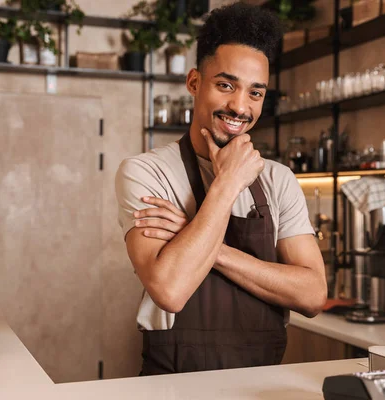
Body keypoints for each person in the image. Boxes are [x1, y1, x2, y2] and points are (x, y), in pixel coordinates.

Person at [115, 3, 327, 376]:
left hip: (262, 385)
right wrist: (227, 183)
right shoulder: (146, 172)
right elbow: (170, 289)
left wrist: (194, 237)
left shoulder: (278, 179)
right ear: (194, 83)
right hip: (172, 386)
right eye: (225, 85)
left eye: (255, 93)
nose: (239, 107)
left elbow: (312, 295)